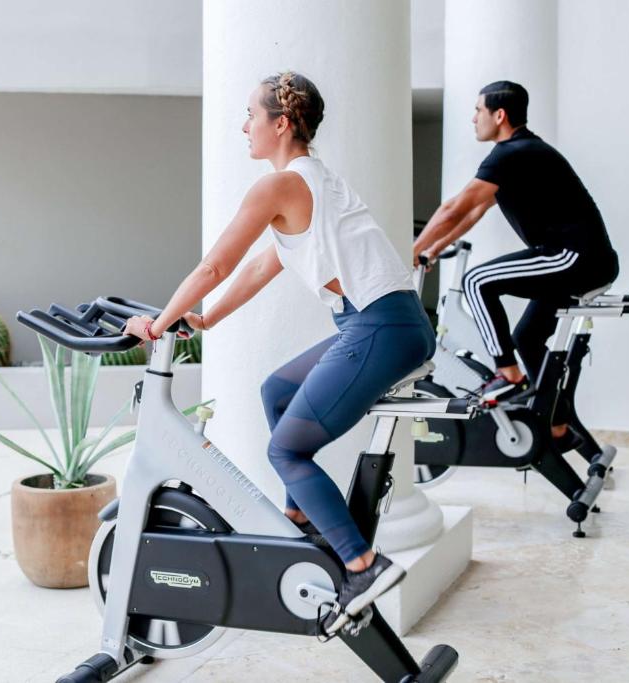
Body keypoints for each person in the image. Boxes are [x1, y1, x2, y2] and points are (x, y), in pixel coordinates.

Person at [123, 72, 435, 633]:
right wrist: (206, 319)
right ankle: (302, 521)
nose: (245, 126)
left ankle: (363, 566)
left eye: (252, 115)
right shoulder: (310, 181)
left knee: (287, 451)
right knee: (278, 390)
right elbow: (259, 267)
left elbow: (213, 266)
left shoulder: (280, 186)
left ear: (282, 123)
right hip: (387, 322)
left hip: (380, 326)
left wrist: (159, 323)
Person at [412, 81, 619, 449]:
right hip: (578, 259)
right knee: (526, 337)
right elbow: (474, 210)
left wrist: (412, 251)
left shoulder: (513, 153)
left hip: (575, 257)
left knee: (477, 281)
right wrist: (433, 250)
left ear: (499, 115)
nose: (473, 118)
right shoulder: (519, 153)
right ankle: (558, 426)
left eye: (478, 110)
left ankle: (508, 376)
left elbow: (453, 208)